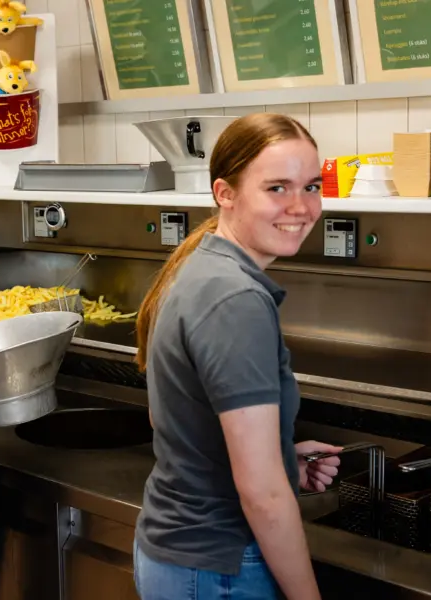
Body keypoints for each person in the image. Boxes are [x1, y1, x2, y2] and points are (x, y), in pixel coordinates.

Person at [132, 113, 343, 600]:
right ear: (225, 193)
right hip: (219, 568)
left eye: (311, 187)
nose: (301, 207)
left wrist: (280, 459)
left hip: (178, 555)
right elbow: (264, 495)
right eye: (276, 188)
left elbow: (174, 423)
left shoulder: (201, 267)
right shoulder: (236, 300)